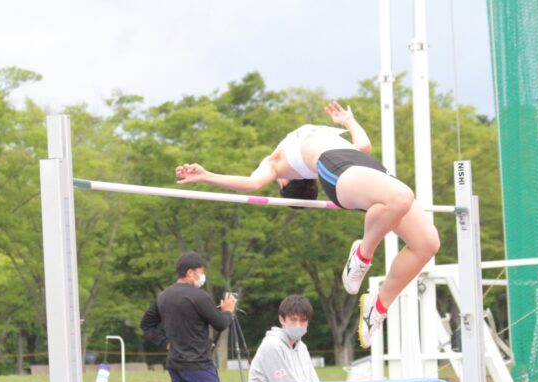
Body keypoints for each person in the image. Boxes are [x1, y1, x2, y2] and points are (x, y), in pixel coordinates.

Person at [175, 102, 440, 349]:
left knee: (427, 244)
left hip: (369, 170)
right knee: (402, 197)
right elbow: (253, 184)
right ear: (284, 183)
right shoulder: (276, 164)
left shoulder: (282, 163)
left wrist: (348, 120)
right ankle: (362, 254)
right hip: (339, 169)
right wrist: (206, 176)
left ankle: (378, 305)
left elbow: (364, 146)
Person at [141, 252, 238, 382]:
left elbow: (146, 324)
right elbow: (220, 324)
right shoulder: (199, 297)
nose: (203, 276)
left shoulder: (163, 296)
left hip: (175, 364)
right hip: (199, 364)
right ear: (191, 272)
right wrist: (228, 311)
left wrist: (164, 343)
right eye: (201, 271)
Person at [248, 295, 319, 382]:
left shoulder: (302, 347)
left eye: (303, 320)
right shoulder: (272, 345)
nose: (298, 325)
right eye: (293, 320)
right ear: (282, 320)